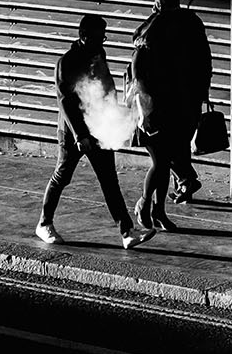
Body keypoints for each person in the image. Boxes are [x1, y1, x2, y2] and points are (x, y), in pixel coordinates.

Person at [37, 14, 152, 250]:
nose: (102, 41)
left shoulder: (98, 54)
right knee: (62, 176)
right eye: (98, 37)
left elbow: (106, 86)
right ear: (83, 36)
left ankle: (127, 232)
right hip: (73, 133)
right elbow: (66, 102)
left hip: (98, 127)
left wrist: (114, 114)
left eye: (104, 37)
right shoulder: (66, 62)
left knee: (109, 180)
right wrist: (80, 136)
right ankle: (44, 223)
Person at [128, 0, 212, 230]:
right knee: (165, 160)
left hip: (158, 106)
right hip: (183, 104)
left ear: (158, 3)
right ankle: (156, 210)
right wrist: (202, 93)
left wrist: (143, 104)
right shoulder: (193, 22)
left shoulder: (154, 27)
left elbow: (137, 65)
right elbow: (204, 60)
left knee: (162, 162)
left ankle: (149, 206)